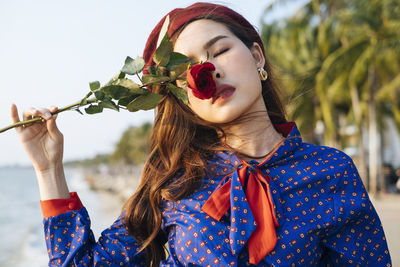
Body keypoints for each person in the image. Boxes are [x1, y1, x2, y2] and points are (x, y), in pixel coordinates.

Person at [10, 2, 392, 266]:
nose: (207, 72)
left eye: (220, 50)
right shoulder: (174, 182)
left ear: (257, 56)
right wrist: (48, 170)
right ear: (182, 95)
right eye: (185, 70)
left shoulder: (331, 171)